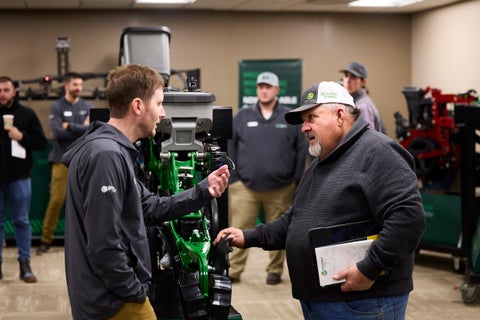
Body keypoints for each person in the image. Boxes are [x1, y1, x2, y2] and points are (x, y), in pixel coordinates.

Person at [215, 81, 425, 319]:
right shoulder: (324, 160)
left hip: (362, 302)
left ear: (339, 115)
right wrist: (248, 236)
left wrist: (370, 269)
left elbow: (408, 219)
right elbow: (296, 219)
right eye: (303, 120)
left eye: (311, 117)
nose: (304, 127)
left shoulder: (378, 152)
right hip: (324, 300)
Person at [61, 64, 230, 320]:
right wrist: (134, 291)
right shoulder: (106, 156)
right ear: (138, 106)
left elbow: (150, 208)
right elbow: (104, 244)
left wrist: (204, 190)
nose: (162, 114)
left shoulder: (113, 151)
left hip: (111, 297)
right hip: (113, 303)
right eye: (159, 104)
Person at [227, 71, 307, 285]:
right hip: (245, 187)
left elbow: (301, 149)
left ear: (277, 90)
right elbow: (230, 146)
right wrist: (233, 178)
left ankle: (274, 270)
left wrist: (295, 179)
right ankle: (234, 270)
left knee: (278, 230)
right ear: (257, 90)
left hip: (281, 188)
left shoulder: (289, 117)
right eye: (261, 86)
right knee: (240, 229)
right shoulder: (243, 116)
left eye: (268, 86)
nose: (264, 90)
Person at [37, 72, 92, 255]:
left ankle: (86, 242)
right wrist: (79, 128)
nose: (78, 88)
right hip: (61, 160)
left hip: (83, 161)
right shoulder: (57, 106)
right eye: (75, 84)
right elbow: (57, 133)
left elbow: (89, 132)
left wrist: (70, 126)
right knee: (56, 201)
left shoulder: (86, 106)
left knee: (85, 202)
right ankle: (46, 240)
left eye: (80, 84)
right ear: (67, 86)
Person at [0, 76, 47, 283]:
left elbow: (41, 143)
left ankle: (25, 265)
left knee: (21, 221)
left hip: (19, 178)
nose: (2, 94)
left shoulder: (26, 114)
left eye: (6, 90)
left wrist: (22, 137)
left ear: (14, 92)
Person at [340, 61, 387, 134]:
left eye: (353, 77)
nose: (348, 80)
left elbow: (367, 141)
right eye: (346, 75)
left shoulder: (363, 106)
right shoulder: (353, 102)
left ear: (363, 82)